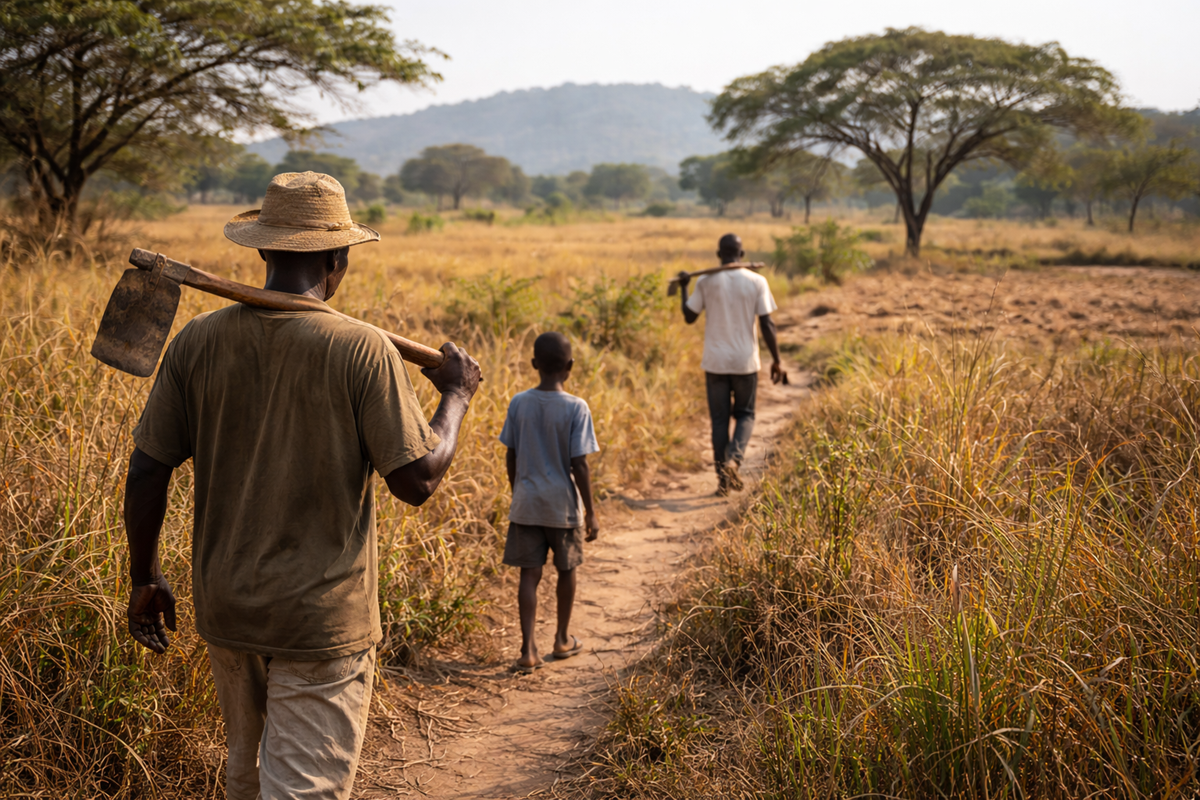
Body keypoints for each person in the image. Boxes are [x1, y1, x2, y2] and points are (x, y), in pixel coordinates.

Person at [122, 171, 481, 800]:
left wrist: (144, 577)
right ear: (339, 259)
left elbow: (149, 468)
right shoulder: (364, 351)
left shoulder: (198, 343)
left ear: (263, 249)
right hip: (319, 621)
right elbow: (418, 480)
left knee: (246, 778)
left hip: (228, 606)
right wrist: (454, 396)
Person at [498, 332, 600, 673]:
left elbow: (511, 455)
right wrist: (592, 513)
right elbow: (579, 464)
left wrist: (519, 491)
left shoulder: (519, 403)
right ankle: (561, 638)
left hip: (527, 504)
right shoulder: (576, 407)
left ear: (534, 365)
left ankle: (528, 650)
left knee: (530, 574)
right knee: (566, 569)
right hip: (563, 507)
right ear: (570, 366)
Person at [677, 233, 782, 496]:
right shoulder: (757, 281)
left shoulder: (705, 281)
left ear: (718, 254)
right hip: (746, 362)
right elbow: (767, 324)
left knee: (719, 420)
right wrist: (777, 360)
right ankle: (735, 459)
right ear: (742, 254)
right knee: (746, 414)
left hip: (715, 363)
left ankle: (723, 483)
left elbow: (689, 317)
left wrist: (683, 287)